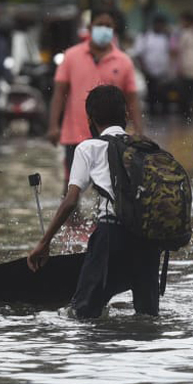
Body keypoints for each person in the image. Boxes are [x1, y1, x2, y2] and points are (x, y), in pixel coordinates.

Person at [28, 85, 162, 319]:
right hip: (148, 240)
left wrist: (44, 242)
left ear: (89, 118)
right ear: (126, 116)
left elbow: (71, 201)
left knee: (82, 314)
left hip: (111, 236)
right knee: (148, 317)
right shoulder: (144, 148)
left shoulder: (88, 148)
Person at [48, 10, 143, 180]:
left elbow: (132, 99)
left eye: (108, 26)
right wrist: (53, 125)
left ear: (114, 29)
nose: (104, 29)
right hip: (74, 136)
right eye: (100, 25)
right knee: (71, 188)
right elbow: (59, 93)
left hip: (112, 140)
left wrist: (138, 131)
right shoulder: (71, 56)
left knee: (112, 188)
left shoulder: (124, 61)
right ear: (90, 27)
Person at [133, 15, 176, 116]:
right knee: (152, 96)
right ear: (154, 25)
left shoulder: (167, 37)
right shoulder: (145, 37)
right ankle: (153, 115)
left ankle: (164, 115)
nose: (160, 27)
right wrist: (144, 69)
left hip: (163, 73)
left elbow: (172, 53)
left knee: (164, 96)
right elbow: (138, 54)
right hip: (149, 72)